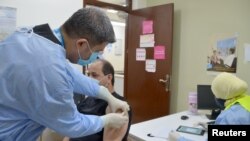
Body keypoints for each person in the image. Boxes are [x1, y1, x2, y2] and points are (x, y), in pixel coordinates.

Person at [0, 7, 129, 141]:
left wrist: (107, 95)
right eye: (97, 51)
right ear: (81, 44)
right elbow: (73, 125)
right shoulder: (51, 72)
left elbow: (71, 75)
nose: (97, 56)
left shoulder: (27, 34)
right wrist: (106, 120)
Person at [63, 59, 132, 141]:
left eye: (94, 75)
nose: (89, 79)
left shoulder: (118, 106)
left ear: (109, 78)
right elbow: (70, 132)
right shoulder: (86, 101)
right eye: (88, 75)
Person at [168, 72, 250, 141]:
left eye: (216, 94)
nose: (215, 97)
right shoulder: (246, 100)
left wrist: (179, 139)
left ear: (223, 96)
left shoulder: (231, 117)